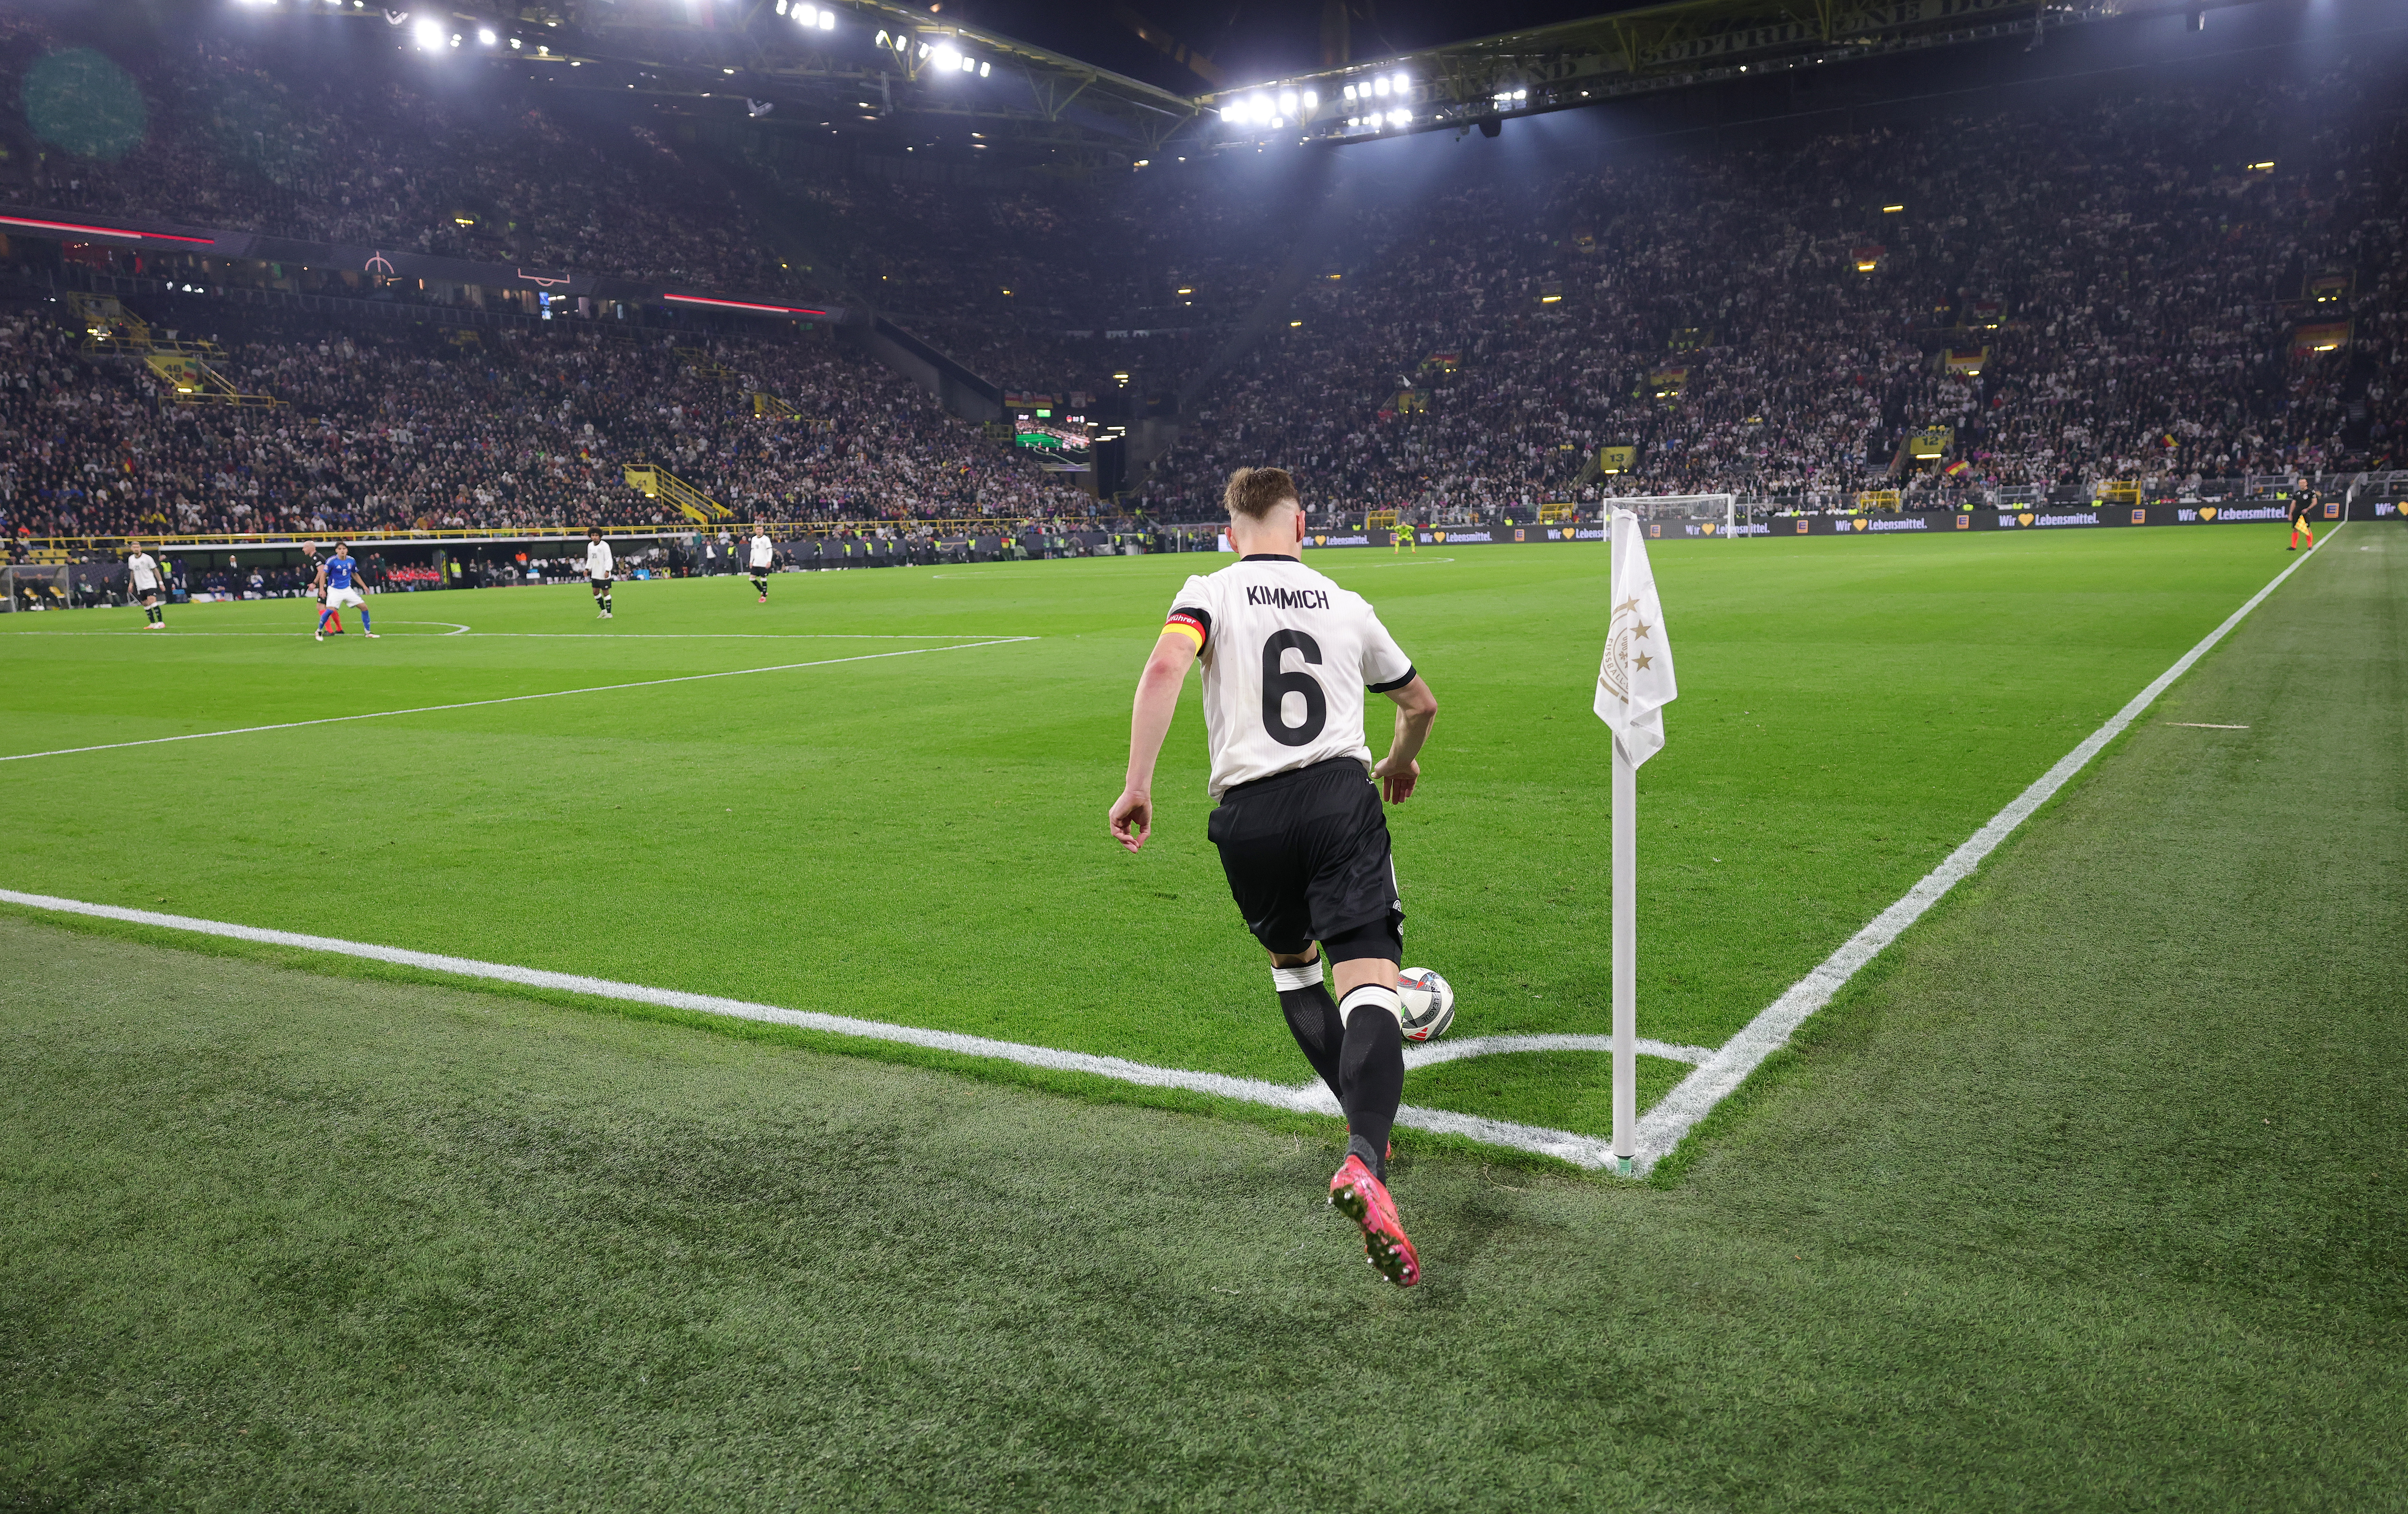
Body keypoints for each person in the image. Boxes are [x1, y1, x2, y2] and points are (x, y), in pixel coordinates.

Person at [1107, 465, 1440, 1288]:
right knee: (1370, 979)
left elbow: (1162, 672)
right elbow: (1420, 704)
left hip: (1247, 818)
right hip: (1336, 799)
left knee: (1294, 973)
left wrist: (1139, 785)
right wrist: (1400, 763)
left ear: (1232, 533)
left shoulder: (1210, 590)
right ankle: (1366, 1151)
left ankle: (1368, 1132)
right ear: (1303, 527)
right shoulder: (1344, 601)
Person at [315, 541, 376, 641]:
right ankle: (319, 631)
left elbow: (355, 574)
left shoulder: (351, 561)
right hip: (335, 590)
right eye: (340, 549)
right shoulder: (332, 561)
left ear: (347, 550)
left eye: (344, 549)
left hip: (347, 590)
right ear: (336, 551)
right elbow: (323, 575)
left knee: (364, 608)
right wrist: (322, 589)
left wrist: (364, 586)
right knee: (330, 610)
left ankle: (368, 632)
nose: (342, 551)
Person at [126, 542, 167, 630]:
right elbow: (132, 572)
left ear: (141, 548)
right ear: (131, 549)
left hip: (150, 583)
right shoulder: (131, 559)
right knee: (145, 604)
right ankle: (152, 623)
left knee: (152, 601)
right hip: (140, 585)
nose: (136, 549)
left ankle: (161, 622)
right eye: (134, 547)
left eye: (137, 547)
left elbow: (155, 570)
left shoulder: (147, 558)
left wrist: (161, 583)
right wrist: (131, 583)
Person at [586, 527, 616, 619]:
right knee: (595, 592)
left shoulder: (605, 545)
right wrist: (587, 569)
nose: (594, 537)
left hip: (604, 573)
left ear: (600, 536)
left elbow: (609, 558)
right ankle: (603, 610)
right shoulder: (590, 546)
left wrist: (608, 570)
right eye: (593, 535)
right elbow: (590, 559)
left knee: (606, 592)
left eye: (596, 535)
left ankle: (609, 613)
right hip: (595, 573)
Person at [748, 524, 775, 602]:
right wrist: (751, 561)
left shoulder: (766, 539)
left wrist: (769, 561)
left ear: (763, 530)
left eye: (761, 529)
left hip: (764, 563)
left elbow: (770, 551)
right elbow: (753, 550)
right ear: (755, 530)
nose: (759, 531)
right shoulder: (754, 539)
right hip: (756, 563)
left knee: (763, 579)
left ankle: (763, 597)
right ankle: (763, 592)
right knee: (752, 579)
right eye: (758, 529)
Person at [2288, 486, 2319, 551]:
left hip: (2305, 513)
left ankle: (2310, 546)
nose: (2302, 485)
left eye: (2303, 483)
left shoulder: (2311, 492)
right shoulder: (2297, 493)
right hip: (2297, 513)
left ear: (2306, 484)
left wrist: (2308, 509)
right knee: (2295, 528)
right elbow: (2293, 503)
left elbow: (2315, 502)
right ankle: (2293, 546)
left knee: (2308, 529)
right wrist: (2291, 513)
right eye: (2301, 483)